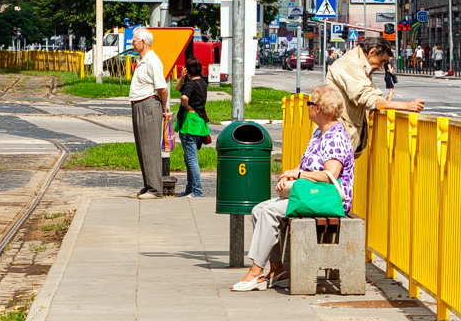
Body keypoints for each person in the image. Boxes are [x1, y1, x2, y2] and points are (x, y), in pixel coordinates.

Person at [232, 83, 354, 292]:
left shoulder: (335, 137)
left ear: (320, 109)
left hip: (328, 199)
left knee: (269, 212)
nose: (307, 106)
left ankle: (256, 270)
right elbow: (306, 164)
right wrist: (291, 172)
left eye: (310, 103)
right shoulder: (319, 133)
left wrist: (298, 175)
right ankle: (277, 268)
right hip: (310, 195)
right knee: (258, 210)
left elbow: (329, 175)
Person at [326, 38, 423, 152]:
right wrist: (406, 106)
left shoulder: (359, 64)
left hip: (337, 139)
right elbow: (368, 99)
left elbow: (374, 94)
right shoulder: (351, 64)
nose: (380, 67)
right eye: (381, 61)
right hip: (334, 142)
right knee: (329, 170)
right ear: (372, 52)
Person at [127, 27, 169, 199]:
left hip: (149, 105)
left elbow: (163, 88)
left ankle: (155, 189)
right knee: (142, 147)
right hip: (139, 105)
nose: (132, 43)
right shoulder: (142, 60)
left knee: (150, 147)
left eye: (134, 40)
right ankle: (148, 185)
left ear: (142, 42)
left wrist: (164, 106)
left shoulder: (153, 60)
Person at [176, 57, 209, 198]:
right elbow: (178, 88)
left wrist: (186, 106)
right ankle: (190, 188)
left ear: (187, 70)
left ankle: (196, 191)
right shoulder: (202, 83)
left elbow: (183, 97)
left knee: (191, 159)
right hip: (199, 123)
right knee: (190, 158)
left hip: (189, 124)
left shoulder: (190, 85)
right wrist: (182, 78)